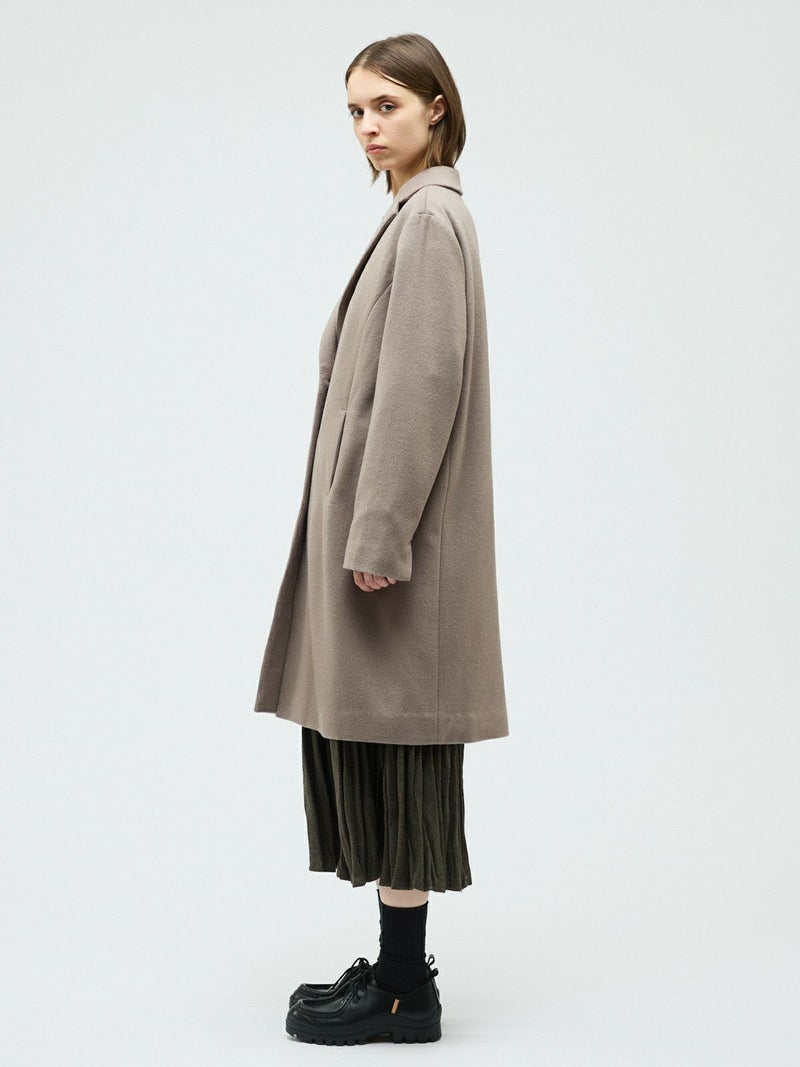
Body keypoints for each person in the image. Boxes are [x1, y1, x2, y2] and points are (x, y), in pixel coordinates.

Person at [253, 32, 509, 1045]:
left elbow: (416, 390)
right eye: (356, 111)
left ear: (436, 107)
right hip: (378, 535)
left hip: (393, 549)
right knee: (383, 748)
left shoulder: (430, 223)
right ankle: (397, 972)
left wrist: (380, 531)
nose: (366, 127)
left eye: (387, 106)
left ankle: (404, 990)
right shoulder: (413, 217)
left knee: (404, 754)